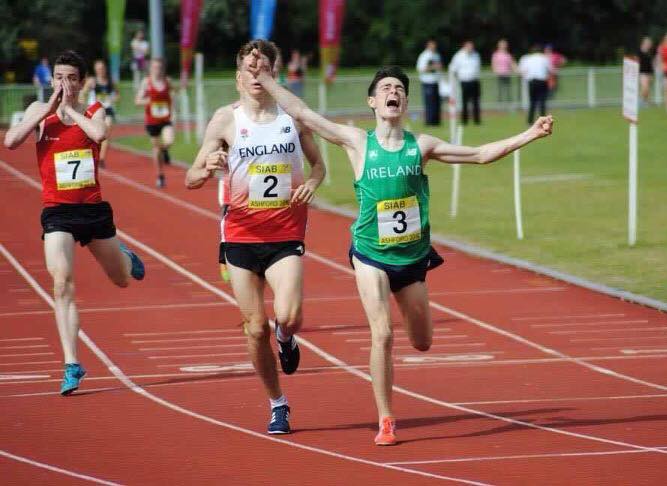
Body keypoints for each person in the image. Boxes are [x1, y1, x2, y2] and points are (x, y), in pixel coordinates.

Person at [252, 53, 554, 445]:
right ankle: (387, 419)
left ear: (405, 103)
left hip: (411, 258)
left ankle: (394, 383)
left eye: (399, 89)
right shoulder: (358, 142)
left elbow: (479, 155)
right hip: (370, 253)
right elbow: (306, 114)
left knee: (422, 340)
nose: (393, 92)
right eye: (385, 89)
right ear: (373, 102)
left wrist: (529, 134)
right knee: (383, 334)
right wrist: (268, 81)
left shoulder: (421, 145)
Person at [185, 40, 326, 435]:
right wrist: (208, 166)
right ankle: (277, 403)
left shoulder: (292, 117)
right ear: (238, 77)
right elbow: (192, 177)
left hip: (285, 232)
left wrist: (312, 183)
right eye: (249, 67)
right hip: (241, 235)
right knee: (254, 328)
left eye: (262, 67)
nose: (255, 73)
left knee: (289, 316)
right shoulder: (224, 121)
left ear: (273, 74)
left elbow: (318, 166)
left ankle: (287, 337)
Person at [3, 50, 145, 396]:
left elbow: (99, 134)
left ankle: (125, 258)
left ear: (81, 83)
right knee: (62, 282)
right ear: (51, 81)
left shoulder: (93, 110)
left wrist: (71, 113)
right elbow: (10, 141)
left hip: (92, 211)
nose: (63, 84)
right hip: (58, 212)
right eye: (58, 77)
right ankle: (71, 363)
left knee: (122, 280)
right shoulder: (40, 112)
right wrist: (51, 111)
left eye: (70, 78)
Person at [135, 58, 174, 188]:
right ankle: (160, 175)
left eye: (159, 67)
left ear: (162, 69)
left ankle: (165, 150)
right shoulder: (146, 82)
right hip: (152, 121)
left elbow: (174, 91)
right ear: (151, 69)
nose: (157, 70)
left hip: (165, 119)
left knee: (169, 141)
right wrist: (148, 101)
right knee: (156, 150)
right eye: (155, 67)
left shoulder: (167, 81)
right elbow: (137, 100)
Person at [80, 60, 118, 168]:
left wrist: (114, 98)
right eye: (98, 68)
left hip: (107, 110)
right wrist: (83, 105)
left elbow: (117, 94)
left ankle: (101, 158)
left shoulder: (111, 81)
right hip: (95, 111)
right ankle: (90, 154)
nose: (101, 70)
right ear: (96, 70)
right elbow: (83, 93)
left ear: (105, 69)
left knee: (106, 132)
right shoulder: (92, 81)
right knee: (92, 135)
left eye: (102, 68)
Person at [449, 40, 482, 125]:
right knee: (465, 101)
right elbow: (453, 69)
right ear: (464, 47)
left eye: (471, 46)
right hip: (464, 81)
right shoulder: (458, 56)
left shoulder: (476, 55)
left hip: (475, 80)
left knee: (476, 101)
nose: (470, 48)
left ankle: (477, 120)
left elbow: (478, 67)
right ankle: (465, 120)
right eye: (469, 46)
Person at [519, 44, 551, 124]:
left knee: (532, 102)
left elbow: (523, 71)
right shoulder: (544, 58)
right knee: (542, 102)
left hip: (532, 82)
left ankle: (530, 121)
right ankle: (543, 121)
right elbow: (550, 69)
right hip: (542, 81)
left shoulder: (528, 59)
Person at [416, 40, 443, 125]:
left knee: (436, 103)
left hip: (435, 81)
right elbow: (420, 69)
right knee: (429, 103)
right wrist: (432, 67)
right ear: (428, 46)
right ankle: (429, 121)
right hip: (427, 82)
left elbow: (439, 67)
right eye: (432, 45)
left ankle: (436, 121)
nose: (434, 47)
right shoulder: (424, 56)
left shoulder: (436, 55)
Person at [491, 39, 517, 104]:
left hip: (507, 74)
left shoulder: (508, 54)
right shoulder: (496, 54)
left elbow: (512, 64)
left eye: (505, 44)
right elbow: (493, 64)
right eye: (502, 44)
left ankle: (508, 103)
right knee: (500, 90)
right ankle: (500, 103)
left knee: (508, 89)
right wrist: (495, 71)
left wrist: (517, 70)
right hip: (499, 74)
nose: (503, 46)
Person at [638, 36, 655, 104]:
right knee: (645, 87)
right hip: (642, 72)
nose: (649, 45)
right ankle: (641, 101)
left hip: (649, 72)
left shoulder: (650, 52)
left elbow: (651, 63)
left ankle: (646, 101)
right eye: (648, 43)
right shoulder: (639, 51)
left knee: (647, 88)